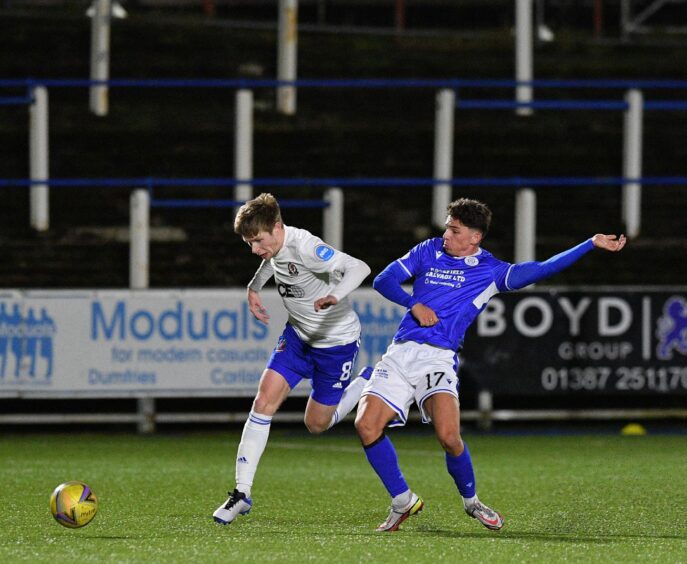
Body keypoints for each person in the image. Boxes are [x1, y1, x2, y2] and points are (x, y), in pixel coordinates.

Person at [355, 197, 626, 532]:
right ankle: (402, 501)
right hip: (399, 354)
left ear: (475, 238)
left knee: (450, 436)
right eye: (447, 228)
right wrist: (414, 304)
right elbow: (384, 280)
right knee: (366, 425)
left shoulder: (491, 272)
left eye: (455, 230)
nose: (446, 236)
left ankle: (472, 502)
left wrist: (589, 244)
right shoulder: (427, 250)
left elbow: (542, 268)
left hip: (437, 358)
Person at [213, 193, 372, 525]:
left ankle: (367, 380)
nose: (254, 248)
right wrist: (253, 288)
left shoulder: (307, 247)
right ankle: (241, 494)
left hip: (336, 345)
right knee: (263, 401)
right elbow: (271, 262)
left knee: (316, 424)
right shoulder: (274, 247)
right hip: (298, 337)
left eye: (257, 241)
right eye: (248, 243)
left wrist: (335, 294)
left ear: (277, 227)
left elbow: (360, 267)